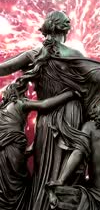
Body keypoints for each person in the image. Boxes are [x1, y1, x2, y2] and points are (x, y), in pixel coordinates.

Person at [0, 10, 100, 209]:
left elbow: (3, 69)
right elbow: (98, 77)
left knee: (42, 168)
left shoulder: (33, 54)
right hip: (72, 114)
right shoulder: (74, 55)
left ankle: (41, 203)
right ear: (65, 30)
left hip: (45, 119)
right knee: (69, 168)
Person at [0, 81, 78, 210]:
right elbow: (45, 104)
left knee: (5, 188)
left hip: (2, 152)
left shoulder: (1, 110)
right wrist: (70, 94)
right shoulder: (19, 103)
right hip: (13, 150)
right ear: (18, 93)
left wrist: (31, 148)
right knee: (18, 184)